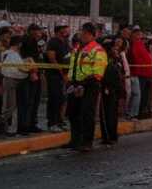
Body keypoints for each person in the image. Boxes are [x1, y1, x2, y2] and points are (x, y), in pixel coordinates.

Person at [66, 23, 106, 152]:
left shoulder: (98, 50)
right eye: (82, 32)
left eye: (85, 33)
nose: (82, 35)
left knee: (87, 114)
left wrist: (84, 83)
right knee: (73, 113)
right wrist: (71, 81)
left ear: (91, 35)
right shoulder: (77, 48)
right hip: (75, 84)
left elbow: (98, 71)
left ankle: (87, 141)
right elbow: (73, 67)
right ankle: (75, 140)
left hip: (89, 85)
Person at [0, 35, 29, 135]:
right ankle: (4, 126)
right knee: (9, 105)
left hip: (14, 81)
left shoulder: (11, 53)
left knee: (11, 105)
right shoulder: (11, 54)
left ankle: (10, 128)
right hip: (10, 81)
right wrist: (29, 69)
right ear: (19, 44)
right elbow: (18, 69)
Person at [44, 24, 70, 132]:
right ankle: (52, 123)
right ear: (60, 30)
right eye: (65, 29)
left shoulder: (65, 43)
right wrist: (61, 73)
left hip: (63, 76)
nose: (67, 31)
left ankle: (60, 121)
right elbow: (52, 59)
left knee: (61, 99)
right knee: (54, 98)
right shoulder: (53, 42)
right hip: (54, 75)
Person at [98, 39, 124, 145]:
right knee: (107, 113)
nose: (116, 49)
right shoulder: (105, 59)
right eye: (113, 47)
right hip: (107, 88)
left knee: (110, 113)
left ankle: (111, 136)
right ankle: (109, 136)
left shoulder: (115, 59)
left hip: (113, 89)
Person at [128, 28, 152, 120]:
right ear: (133, 35)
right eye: (137, 34)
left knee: (145, 95)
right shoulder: (133, 44)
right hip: (139, 73)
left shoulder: (142, 44)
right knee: (139, 94)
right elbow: (135, 58)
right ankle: (137, 113)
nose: (140, 35)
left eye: (140, 34)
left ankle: (142, 112)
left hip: (147, 72)